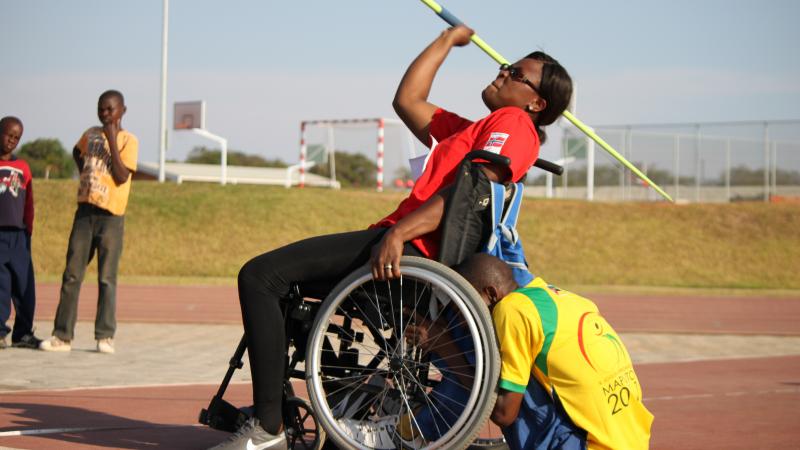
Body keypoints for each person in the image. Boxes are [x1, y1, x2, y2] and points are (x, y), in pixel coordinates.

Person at [209, 24, 573, 450]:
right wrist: (445, 42)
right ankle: (299, 405)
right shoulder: (471, 130)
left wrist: (400, 231)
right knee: (286, 289)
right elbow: (408, 101)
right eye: (506, 66)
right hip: (406, 245)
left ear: (536, 102)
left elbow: (473, 193)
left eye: (515, 73)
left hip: (411, 250)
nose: (502, 72)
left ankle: (267, 429)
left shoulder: (513, 124)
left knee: (261, 276)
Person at [449, 253, 654, 450]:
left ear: (492, 293)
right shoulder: (562, 296)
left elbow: (504, 414)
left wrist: (444, 346)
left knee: (506, 383)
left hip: (593, 445)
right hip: (632, 439)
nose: (462, 317)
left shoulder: (511, 309)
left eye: (468, 304)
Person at [39, 90, 138, 354]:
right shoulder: (90, 134)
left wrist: (112, 139)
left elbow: (120, 176)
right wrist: (85, 167)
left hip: (111, 215)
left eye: (110, 109)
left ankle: (105, 336)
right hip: (84, 212)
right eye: (101, 109)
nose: (105, 114)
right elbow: (76, 151)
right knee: (72, 274)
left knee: (107, 278)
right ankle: (62, 336)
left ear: (122, 111)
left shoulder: (129, 140)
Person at [0, 116, 41, 349]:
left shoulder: (23, 167)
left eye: (17, 137)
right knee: (1, 286)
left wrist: (29, 230)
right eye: (8, 134)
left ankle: (23, 333)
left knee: (25, 286)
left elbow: (29, 203)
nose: (12, 140)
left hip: (19, 236)